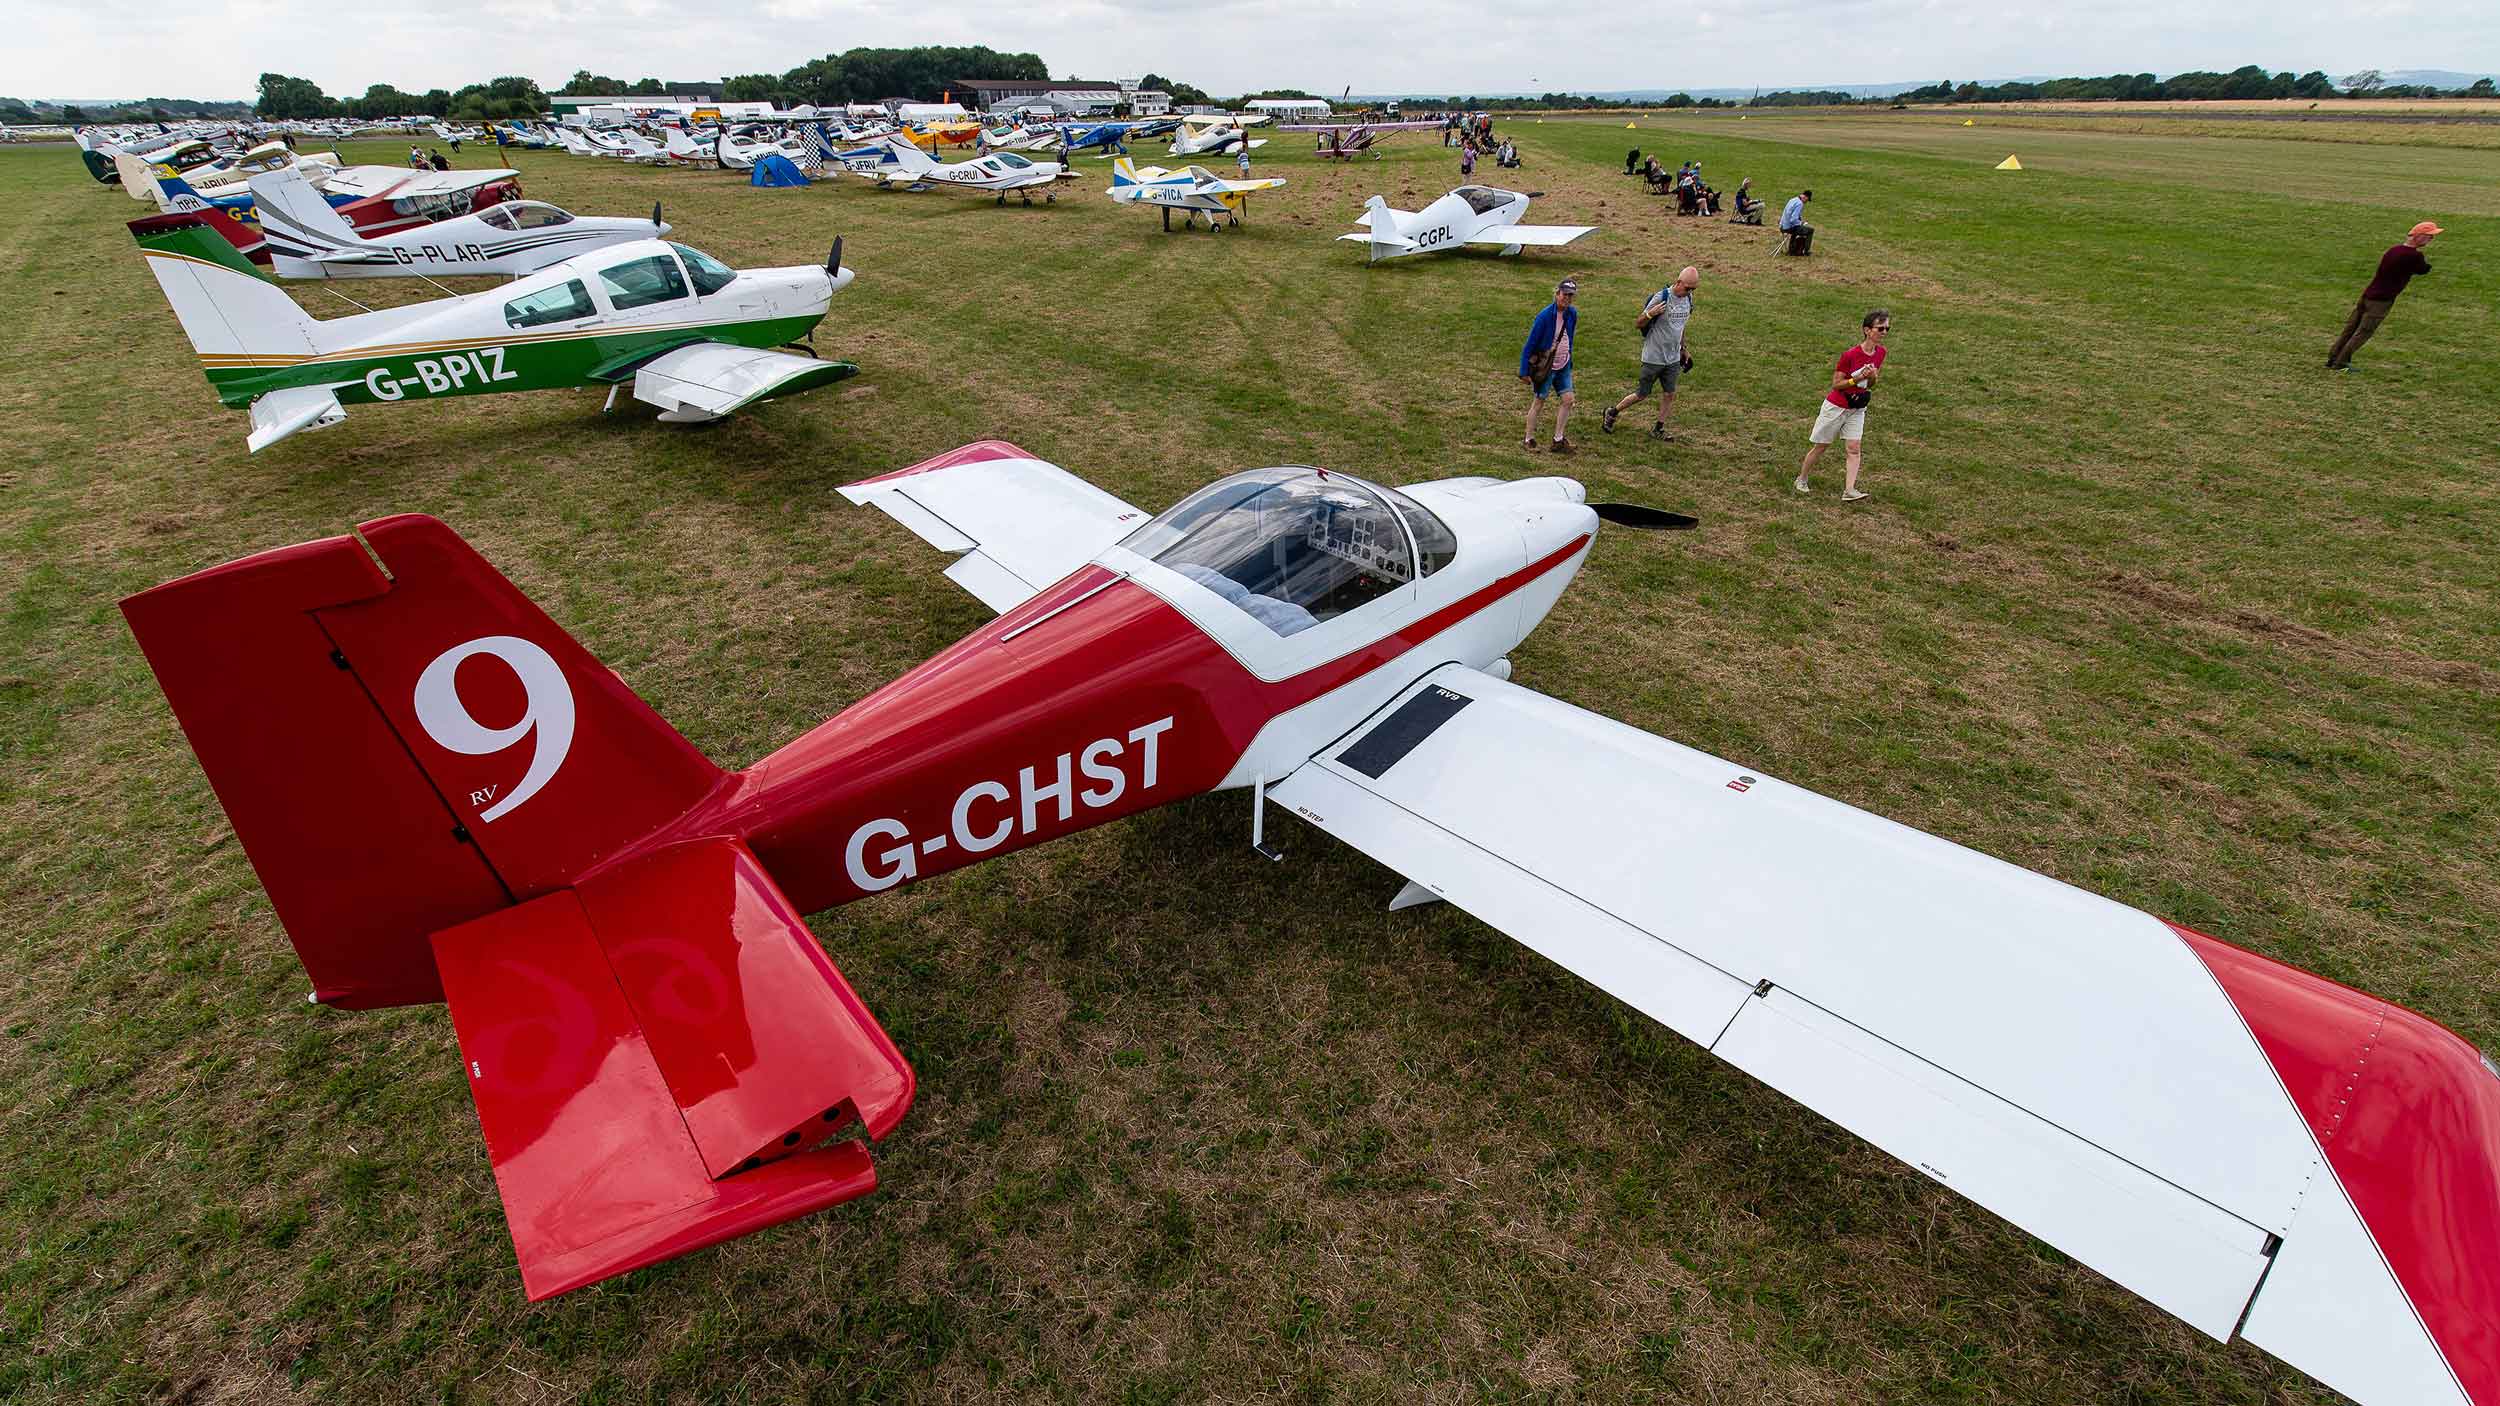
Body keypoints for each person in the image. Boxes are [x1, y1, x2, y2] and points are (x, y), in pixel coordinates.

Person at [1795, 309, 1890, 502]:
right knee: (1821, 445)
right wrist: (1857, 379)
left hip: (1858, 407)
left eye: (1887, 328)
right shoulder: (1850, 355)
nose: (1884, 332)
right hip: (1837, 406)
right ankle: (1802, 478)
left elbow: (1871, 384)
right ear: (1867, 330)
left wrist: (1871, 378)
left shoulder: (1881, 353)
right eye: (1880, 328)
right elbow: (1836, 384)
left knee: (1854, 447)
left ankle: (1849, 489)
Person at [2327, 221, 2441, 370]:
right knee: (2364, 332)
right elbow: (2422, 269)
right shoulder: (2414, 255)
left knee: (2351, 328)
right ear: (2418, 237)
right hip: (2381, 300)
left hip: (2368, 295)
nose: (2431, 240)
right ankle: (2341, 363)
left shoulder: (2393, 250)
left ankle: (2333, 357)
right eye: (2429, 236)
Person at [1605, 266, 1698, 441]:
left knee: (1669, 393)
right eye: (1687, 288)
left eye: (1693, 289)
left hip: (1672, 357)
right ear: (1678, 282)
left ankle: (1658, 428)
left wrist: (1684, 349)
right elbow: (1638, 323)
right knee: (1642, 394)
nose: (1689, 292)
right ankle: (1613, 412)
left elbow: (1681, 326)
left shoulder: (1688, 299)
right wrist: (1650, 314)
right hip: (1653, 356)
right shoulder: (1661, 297)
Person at [1518, 279, 1580, 453]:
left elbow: (1570, 337)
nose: (1567, 298)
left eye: (1570, 295)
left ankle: (1558, 440)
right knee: (1539, 401)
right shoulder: (1544, 316)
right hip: (1547, 367)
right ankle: (1528, 439)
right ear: (1557, 294)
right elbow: (1530, 345)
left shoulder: (1572, 314)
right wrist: (1524, 371)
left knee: (1568, 400)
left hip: (1564, 364)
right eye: (1565, 294)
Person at [1779, 189, 1814, 254]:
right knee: (1811, 230)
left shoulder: (1792, 199)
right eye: (1807, 200)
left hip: (1782, 225)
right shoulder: (1800, 204)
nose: (1806, 202)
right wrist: (1802, 223)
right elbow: (1793, 220)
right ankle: (1806, 251)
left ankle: (1792, 249)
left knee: (1797, 228)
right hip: (1788, 227)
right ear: (1805, 197)